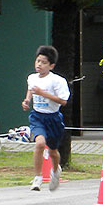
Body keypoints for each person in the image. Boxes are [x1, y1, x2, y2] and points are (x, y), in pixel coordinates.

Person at [21, 45, 69, 191]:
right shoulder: (32, 77)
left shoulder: (57, 81)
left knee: (53, 151)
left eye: (43, 62)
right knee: (40, 144)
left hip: (53, 118)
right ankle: (37, 177)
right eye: (38, 61)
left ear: (51, 65)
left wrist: (43, 94)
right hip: (37, 116)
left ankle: (55, 171)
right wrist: (27, 100)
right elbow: (31, 89)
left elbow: (63, 101)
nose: (39, 65)